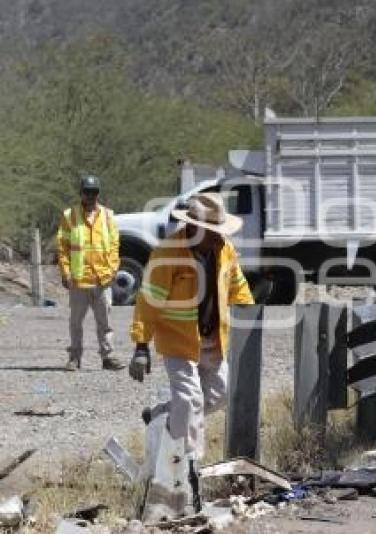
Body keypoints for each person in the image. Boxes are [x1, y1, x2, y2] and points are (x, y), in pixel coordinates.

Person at [128, 192, 253, 509]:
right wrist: (141, 345)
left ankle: (161, 414)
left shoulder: (224, 250)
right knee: (191, 399)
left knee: (220, 393)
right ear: (195, 228)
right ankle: (190, 469)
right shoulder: (168, 254)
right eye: (212, 231)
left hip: (212, 339)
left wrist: (250, 310)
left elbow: (236, 284)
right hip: (178, 341)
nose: (217, 236)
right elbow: (148, 301)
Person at [56, 175, 125, 371]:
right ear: (81, 193)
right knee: (76, 322)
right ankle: (74, 358)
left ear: (98, 194)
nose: (91, 196)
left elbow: (114, 245)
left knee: (105, 322)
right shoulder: (70, 216)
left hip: (102, 279)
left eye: (94, 192)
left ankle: (108, 357)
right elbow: (63, 247)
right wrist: (66, 273)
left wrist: (112, 270)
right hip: (78, 280)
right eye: (87, 192)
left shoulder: (108, 216)